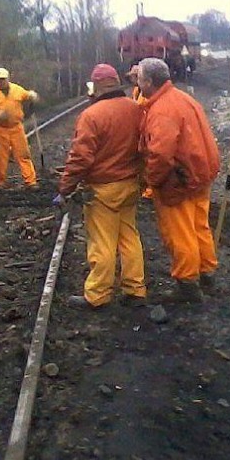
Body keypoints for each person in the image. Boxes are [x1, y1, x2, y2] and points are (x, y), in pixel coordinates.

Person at [55, 63, 147, 309]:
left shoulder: (91, 115)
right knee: (129, 237)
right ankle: (135, 288)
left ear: (95, 87)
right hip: (130, 184)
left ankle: (98, 295)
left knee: (102, 243)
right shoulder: (135, 108)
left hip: (103, 189)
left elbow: (80, 158)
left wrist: (65, 188)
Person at [137, 57, 220, 303]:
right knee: (199, 226)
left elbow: (161, 154)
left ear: (149, 82)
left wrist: (151, 180)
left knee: (180, 233)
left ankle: (187, 284)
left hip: (178, 181)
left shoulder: (162, 110)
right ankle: (206, 273)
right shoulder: (183, 98)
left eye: (139, 79)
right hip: (199, 175)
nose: (137, 84)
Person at [0, 67, 40, 190]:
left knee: (23, 154)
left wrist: (32, 95)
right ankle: (0, 182)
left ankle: (30, 181)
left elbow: (26, 95)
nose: (2, 82)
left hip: (16, 127)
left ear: (8, 79)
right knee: (0, 157)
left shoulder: (16, 89)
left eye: (4, 79)